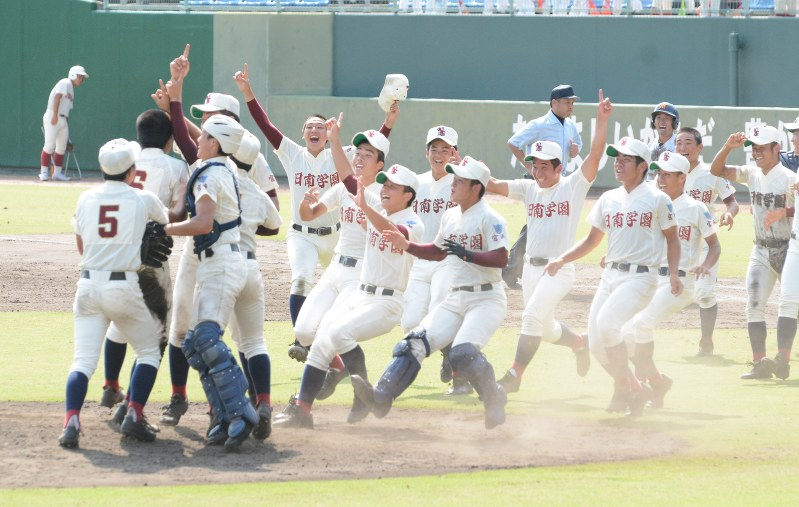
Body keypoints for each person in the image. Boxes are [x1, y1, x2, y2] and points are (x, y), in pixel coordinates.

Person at [233, 64, 397, 362]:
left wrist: (387, 123)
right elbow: (266, 126)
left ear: (329, 132)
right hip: (301, 234)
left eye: (320, 127)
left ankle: (338, 343)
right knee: (301, 279)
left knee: (343, 287)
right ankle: (302, 340)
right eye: (309, 126)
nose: (314, 130)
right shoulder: (292, 152)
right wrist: (248, 93)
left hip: (336, 236)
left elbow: (373, 151)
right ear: (302, 133)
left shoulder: (343, 153)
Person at [351, 157, 511, 430]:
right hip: (456, 297)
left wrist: (468, 255)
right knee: (411, 343)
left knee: (461, 353)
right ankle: (381, 397)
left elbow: (501, 258)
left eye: (460, 181)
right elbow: (436, 251)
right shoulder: (451, 216)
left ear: (476, 188)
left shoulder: (490, 218)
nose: (454, 183)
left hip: (486, 299)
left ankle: (494, 397)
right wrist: (407, 244)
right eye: (455, 179)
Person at [274, 164, 423, 429]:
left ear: (408, 195)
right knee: (320, 343)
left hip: (387, 303)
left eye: (392, 186)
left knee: (340, 334)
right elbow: (349, 180)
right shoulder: (378, 212)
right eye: (384, 184)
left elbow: (394, 232)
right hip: (361, 295)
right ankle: (302, 411)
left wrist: (366, 208)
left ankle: (364, 397)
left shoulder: (413, 222)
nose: (385, 189)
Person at [545, 136, 682, 417]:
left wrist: (674, 274)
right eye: (617, 158)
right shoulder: (608, 198)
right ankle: (640, 388)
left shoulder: (658, 199)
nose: (618, 163)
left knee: (608, 325)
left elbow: (672, 238)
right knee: (596, 343)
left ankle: (625, 389)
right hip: (611, 276)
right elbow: (592, 240)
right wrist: (563, 258)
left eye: (626, 159)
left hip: (640, 279)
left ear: (643, 166)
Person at [161, 67, 259, 450]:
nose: (196, 139)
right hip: (216, 262)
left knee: (204, 337)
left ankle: (240, 414)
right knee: (193, 344)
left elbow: (202, 223)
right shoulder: (216, 167)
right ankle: (222, 414)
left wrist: (165, 230)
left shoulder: (210, 173)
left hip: (222, 263)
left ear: (216, 143)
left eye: (203, 135)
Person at [492, 89, 612, 394]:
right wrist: (466, 168)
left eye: (545, 165)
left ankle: (514, 375)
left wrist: (601, 121)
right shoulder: (528, 187)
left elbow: (596, 156)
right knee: (544, 329)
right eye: (535, 164)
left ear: (559, 167)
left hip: (559, 270)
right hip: (530, 269)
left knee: (530, 317)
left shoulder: (572, 187)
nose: (538, 170)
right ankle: (579, 342)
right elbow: (492, 185)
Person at [59, 138, 168, 448]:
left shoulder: (85, 198)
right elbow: (165, 225)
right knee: (149, 351)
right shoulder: (142, 198)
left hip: (88, 285)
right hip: (124, 287)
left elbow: (82, 245)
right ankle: (134, 415)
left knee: (81, 362)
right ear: (132, 171)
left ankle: (71, 422)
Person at [99, 109, 190, 421]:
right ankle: (132, 407)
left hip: (112, 255)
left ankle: (111, 385)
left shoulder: (126, 156)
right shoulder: (175, 164)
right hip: (151, 260)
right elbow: (177, 215)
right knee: (156, 335)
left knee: (119, 322)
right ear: (169, 141)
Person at [292, 119, 391, 402]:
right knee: (303, 331)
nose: (359, 158)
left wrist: (334, 140)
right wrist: (304, 206)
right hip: (335, 268)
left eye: (368, 155)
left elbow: (387, 236)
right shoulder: (342, 189)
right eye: (357, 153)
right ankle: (339, 369)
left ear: (380, 165)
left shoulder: (381, 198)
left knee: (327, 332)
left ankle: (351, 394)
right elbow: (311, 214)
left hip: (359, 276)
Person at [621, 151, 720, 409]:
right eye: (659, 174)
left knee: (641, 324)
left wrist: (706, 265)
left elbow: (715, 245)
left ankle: (641, 389)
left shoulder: (696, 208)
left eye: (667, 174)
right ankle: (658, 382)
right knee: (623, 333)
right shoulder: (652, 203)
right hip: (651, 280)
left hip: (680, 284)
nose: (661, 179)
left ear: (682, 178)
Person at [709, 125, 796, 380]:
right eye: (754, 148)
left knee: (790, 305)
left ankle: (783, 361)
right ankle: (760, 365)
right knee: (754, 306)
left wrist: (785, 212)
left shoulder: (790, 178)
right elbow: (716, 171)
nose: (756, 153)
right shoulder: (751, 173)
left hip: (788, 249)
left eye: (762, 148)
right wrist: (727, 147)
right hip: (760, 249)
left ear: (776, 149)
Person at [214, 130, 282, 442]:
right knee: (254, 342)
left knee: (211, 341)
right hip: (251, 265)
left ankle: (228, 409)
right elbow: (275, 223)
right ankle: (264, 403)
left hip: (223, 267)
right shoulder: (256, 190)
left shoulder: (217, 182)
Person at [402, 125, 472, 396]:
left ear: (455, 153)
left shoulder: (463, 183)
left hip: (448, 259)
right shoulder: (415, 183)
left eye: (446, 149)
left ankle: (460, 377)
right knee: (410, 322)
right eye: (435, 149)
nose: (439, 154)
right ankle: (447, 356)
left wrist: (464, 173)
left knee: (439, 310)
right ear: (426, 152)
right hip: (419, 260)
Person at [504, 84, 583, 291]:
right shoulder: (539, 124)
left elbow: (576, 148)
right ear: (554, 103)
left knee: (540, 224)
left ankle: (514, 267)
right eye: (567, 102)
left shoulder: (570, 125)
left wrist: (574, 151)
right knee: (537, 223)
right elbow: (513, 142)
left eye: (572, 102)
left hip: (559, 181)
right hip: (539, 180)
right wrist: (529, 167)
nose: (570, 106)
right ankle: (512, 268)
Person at [675, 127, 739, 356]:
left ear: (700, 147)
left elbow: (732, 202)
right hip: (676, 243)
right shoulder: (669, 172)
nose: (683, 148)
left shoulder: (712, 173)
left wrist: (729, 213)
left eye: (688, 143)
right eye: (679, 143)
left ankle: (706, 342)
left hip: (705, 240)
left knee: (704, 293)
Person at [40, 65, 88, 182]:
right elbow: (57, 98)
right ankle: (44, 173)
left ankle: (57, 173)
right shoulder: (65, 82)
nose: (81, 79)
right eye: (80, 76)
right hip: (53, 115)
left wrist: (63, 123)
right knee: (49, 145)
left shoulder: (70, 87)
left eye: (82, 77)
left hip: (63, 118)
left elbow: (66, 108)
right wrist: (55, 116)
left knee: (61, 147)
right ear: (73, 75)